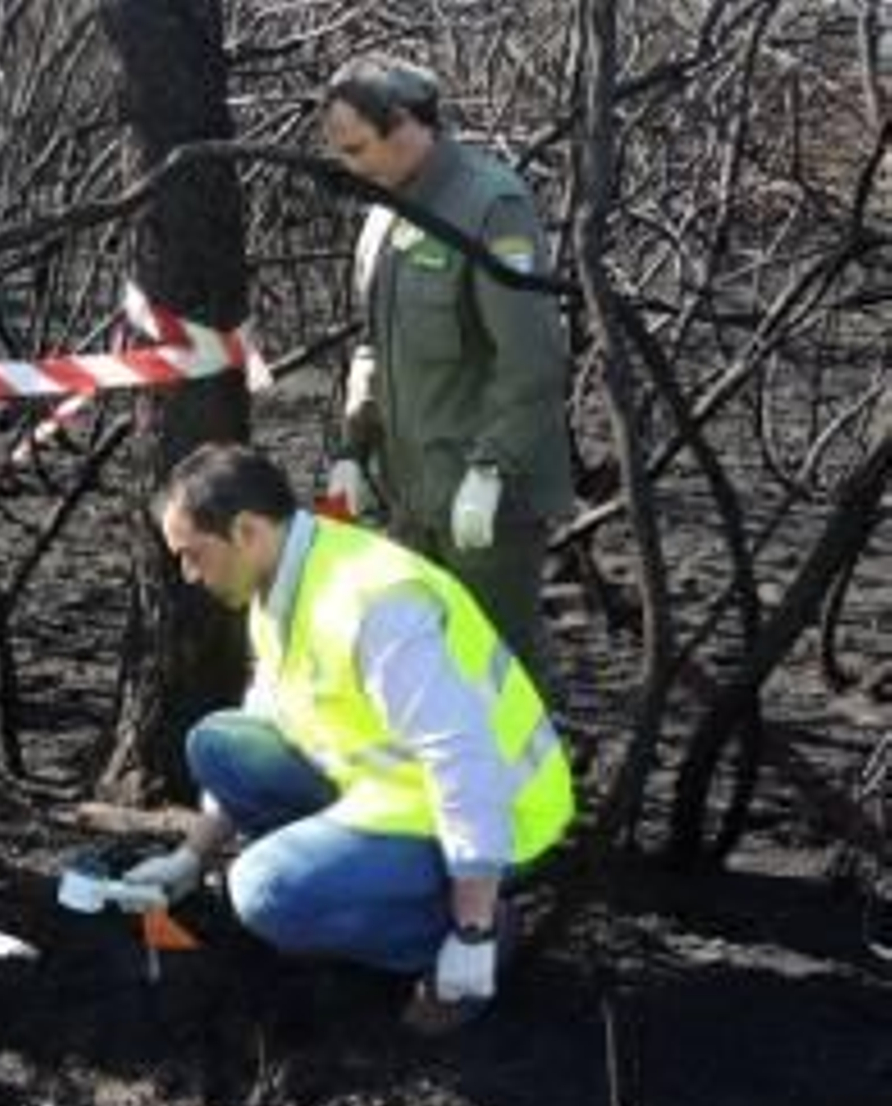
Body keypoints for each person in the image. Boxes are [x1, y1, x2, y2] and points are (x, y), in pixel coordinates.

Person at [125, 443, 573, 1025]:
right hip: (392, 791)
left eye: (193, 555)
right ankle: (346, 884)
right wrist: (190, 857)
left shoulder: (374, 604)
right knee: (220, 745)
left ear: (247, 531)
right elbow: (268, 713)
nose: (188, 574)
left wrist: (472, 928)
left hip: (501, 815)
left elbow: (462, 761)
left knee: (262, 891)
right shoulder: (280, 583)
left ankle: (455, 936)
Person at [321, 55, 574, 701]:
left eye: (358, 148)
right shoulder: (383, 213)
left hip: (487, 502)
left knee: (499, 672)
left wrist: (492, 470)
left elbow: (532, 359)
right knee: (424, 671)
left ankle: (529, 770)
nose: (350, 166)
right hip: (413, 493)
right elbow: (373, 347)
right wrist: (353, 449)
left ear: (405, 124)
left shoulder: (490, 205)